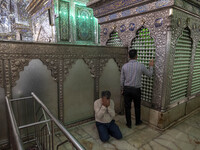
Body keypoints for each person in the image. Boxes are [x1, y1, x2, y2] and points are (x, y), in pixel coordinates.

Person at [120, 49, 154, 128]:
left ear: (129, 56)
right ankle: (137, 121)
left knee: (127, 107)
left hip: (127, 89)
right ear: (136, 56)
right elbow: (149, 75)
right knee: (137, 106)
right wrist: (151, 66)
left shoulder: (124, 66)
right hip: (136, 90)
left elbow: (121, 79)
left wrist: (122, 89)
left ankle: (129, 124)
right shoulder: (140, 66)